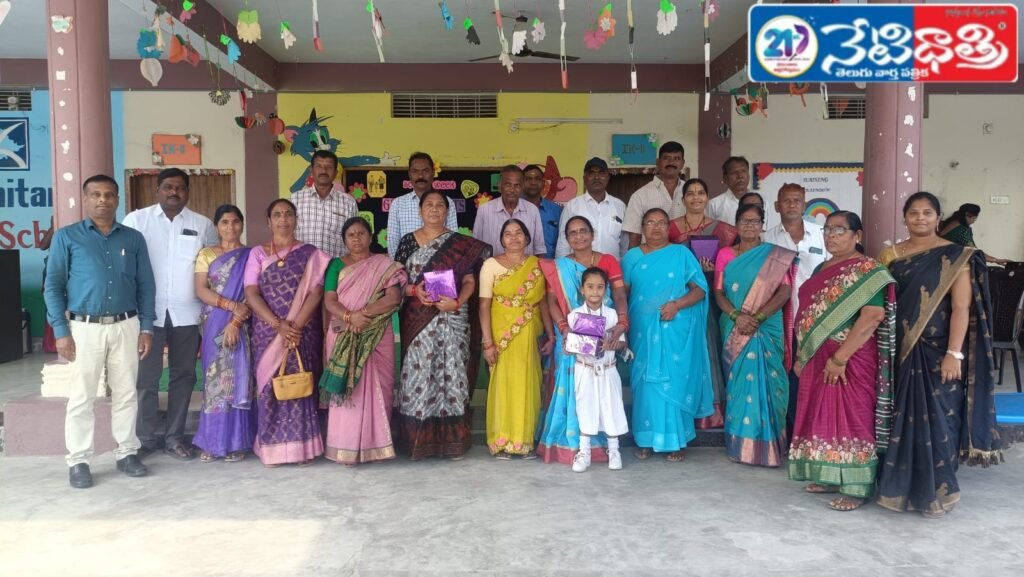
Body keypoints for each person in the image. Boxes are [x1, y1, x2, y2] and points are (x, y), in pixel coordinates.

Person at [876, 192, 1000, 518]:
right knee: (899, 420)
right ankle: (899, 489)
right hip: (898, 350)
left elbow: (961, 306)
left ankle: (937, 493)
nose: (920, 218)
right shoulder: (890, 255)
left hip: (937, 351)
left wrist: (954, 354)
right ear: (904, 218)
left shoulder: (956, 255)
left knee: (941, 421)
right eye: (913, 213)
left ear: (938, 217)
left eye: (927, 213)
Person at [44, 174, 155, 488]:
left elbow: (146, 285)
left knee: (126, 393)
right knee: (81, 396)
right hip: (84, 328)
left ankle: (127, 452)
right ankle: (78, 459)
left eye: (109, 195)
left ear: (118, 199)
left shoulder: (132, 239)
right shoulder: (67, 238)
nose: (103, 200)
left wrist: (146, 327)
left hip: (127, 325)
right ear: (86, 198)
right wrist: (61, 331)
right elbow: (52, 286)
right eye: (96, 195)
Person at [788, 211, 896, 511]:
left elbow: (872, 316)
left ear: (857, 236)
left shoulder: (867, 270)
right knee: (820, 413)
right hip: (816, 354)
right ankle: (828, 474)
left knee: (851, 416)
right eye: (828, 230)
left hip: (850, 358)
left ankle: (857, 486)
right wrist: (802, 353)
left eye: (840, 230)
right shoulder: (823, 266)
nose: (831, 235)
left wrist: (840, 357)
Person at [122, 167, 217, 461]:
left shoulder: (202, 225)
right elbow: (125, 268)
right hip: (147, 315)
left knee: (184, 376)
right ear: (158, 190)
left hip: (187, 314)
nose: (173, 192)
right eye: (168, 187)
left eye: (179, 188)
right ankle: (145, 438)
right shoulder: (136, 221)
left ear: (187, 192)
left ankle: (175, 437)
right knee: (147, 378)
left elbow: (212, 269)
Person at [393, 190, 491, 460]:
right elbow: (397, 280)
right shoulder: (407, 242)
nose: (434, 209)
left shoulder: (460, 243)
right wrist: (415, 292)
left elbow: (471, 280)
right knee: (419, 376)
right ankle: (416, 442)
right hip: (417, 319)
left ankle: (453, 443)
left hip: (453, 317)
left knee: (452, 374)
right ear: (420, 210)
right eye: (429, 205)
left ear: (448, 211)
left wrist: (458, 301)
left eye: (440, 205)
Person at [622, 208, 714, 462]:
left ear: (668, 227)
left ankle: (676, 441)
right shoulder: (631, 257)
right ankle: (644, 438)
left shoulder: (681, 254)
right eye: (650, 222)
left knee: (674, 383)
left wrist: (677, 305)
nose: (656, 227)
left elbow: (700, 290)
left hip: (675, 331)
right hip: (642, 330)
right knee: (645, 384)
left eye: (662, 222)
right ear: (642, 228)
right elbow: (623, 295)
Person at [243, 199, 329, 467]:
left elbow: (316, 291)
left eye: (288, 214)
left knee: (301, 383)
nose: (283, 220)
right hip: (268, 332)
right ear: (268, 221)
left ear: (296, 219)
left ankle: (303, 449)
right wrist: (278, 325)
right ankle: (272, 449)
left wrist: (297, 326)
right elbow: (251, 292)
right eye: (277, 215)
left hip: (303, 331)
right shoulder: (257, 253)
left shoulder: (310, 253)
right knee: (270, 386)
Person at [537, 216, 629, 464]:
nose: (579, 237)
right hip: (569, 332)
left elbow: (619, 294)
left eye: (583, 231)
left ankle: (606, 446)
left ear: (593, 234)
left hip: (605, 330)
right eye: (573, 233)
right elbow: (552, 301)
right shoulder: (559, 266)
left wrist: (621, 323)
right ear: (566, 239)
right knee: (573, 386)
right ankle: (571, 444)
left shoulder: (608, 261)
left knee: (602, 389)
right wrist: (565, 328)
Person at [320, 217, 407, 466]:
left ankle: (377, 445)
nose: (356, 239)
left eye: (361, 234)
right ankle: (344, 446)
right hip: (343, 331)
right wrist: (349, 317)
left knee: (382, 383)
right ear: (344, 240)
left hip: (377, 332)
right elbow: (329, 300)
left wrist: (363, 315)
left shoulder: (384, 265)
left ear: (371, 237)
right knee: (347, 388)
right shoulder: (336, 265)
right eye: (351, 235)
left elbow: (393, 298)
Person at [715, 203, 795, 467]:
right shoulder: (726, 254)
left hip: (766, 326)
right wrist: (738, 317)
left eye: (755, 221)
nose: (749, 226)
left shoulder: (774, 256)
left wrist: (757, 317)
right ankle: (741, 446)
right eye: (744, 221)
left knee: (771, 384)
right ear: (736, 225)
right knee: (739, 385)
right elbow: (719, 292)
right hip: (735, 325)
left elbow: (784, 292)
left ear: (763, 225)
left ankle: (771, 447)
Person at [479, 219, 553, 458]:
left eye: (518, 233)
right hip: (501, 334)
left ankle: (523, 441)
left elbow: (542, 302)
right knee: (503, 385)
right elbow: (483, 305)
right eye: (508, 234)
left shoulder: (537, 265)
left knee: (528, 382)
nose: (513, 238)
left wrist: (551, 335)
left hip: (529, 333)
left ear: (527, 238)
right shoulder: (490, 265)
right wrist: (487, 342)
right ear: (501, 239)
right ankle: (501, 442)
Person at [668, 177, 737, 428]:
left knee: (709, 347)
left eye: (701, 193)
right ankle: (684, 405)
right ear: (683, 199)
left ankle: (712, 410)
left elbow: (733, 263)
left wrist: (710, 269)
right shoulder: (671, 229)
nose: (696, 198)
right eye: (691, 194)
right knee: (683, 350)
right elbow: (664, 260)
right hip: (681, 299)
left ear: (707, 198)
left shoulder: (724, 230)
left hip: (711, 297)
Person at [763, 183, 830, 438]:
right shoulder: (767, 238)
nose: (792, 204)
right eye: (786, 201)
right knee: (786, 376)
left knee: (812, 375)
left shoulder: (823, 234)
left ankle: (813, 432)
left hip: (816, 319)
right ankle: (790, 433)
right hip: (780, 318)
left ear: (805, 205)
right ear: (777, 206)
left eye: (797, 200)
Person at [191, 205, 255, 463]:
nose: (231, 227)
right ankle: (212, 441)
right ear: (217, 226)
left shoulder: (251, 255)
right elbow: (201, 290)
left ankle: (237, 442)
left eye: (236, 222)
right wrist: (230, 307)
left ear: (242, 225)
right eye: (225, 222)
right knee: (214, 380)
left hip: (243, 324)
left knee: (239, 378)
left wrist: (238, 319)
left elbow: (254, 292)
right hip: (214, 323)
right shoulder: (206, 254)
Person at [566, 267, 629, 473]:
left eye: (600, 287)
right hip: (585, 368)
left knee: (611, 407)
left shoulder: (612, 315)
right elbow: (570, 345)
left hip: (608, 369)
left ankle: (614, 450)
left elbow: (622, 343)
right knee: (586, 407)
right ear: (582, 290)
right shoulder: (575, 315)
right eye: (590, 287)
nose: (595, 292)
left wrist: (612, 344)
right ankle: (584, 453)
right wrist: (571, 346)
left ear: (606, 290)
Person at [386, 152, 458, 259]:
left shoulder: (447, 202)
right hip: (406, 269)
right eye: (415, 171)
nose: (420, 176)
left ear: (433, 172)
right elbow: (393, 242)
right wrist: (400, 268)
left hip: (440, 267)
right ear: (409, 174)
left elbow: (453, 239)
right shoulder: (397, 204)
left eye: (425, 171)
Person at [555, 157, 627, 258]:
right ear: (584, 178)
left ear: (607, 177)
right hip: (580, 270)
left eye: (601, 173)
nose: (596, 177)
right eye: (591, 173)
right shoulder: (572, 206)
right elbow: (563, 241)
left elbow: (625, 243)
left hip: (611, 270)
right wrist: (562, 268)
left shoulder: (620, 206)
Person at [291, 150, 358, 258]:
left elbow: (354, 236)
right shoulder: (295, 199)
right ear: (311, 171)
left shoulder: (348, 202)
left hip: (335, 268)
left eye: (329, 167)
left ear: (336, 173)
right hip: (302, 266)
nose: (323, 170)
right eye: (319, 166)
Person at [623, 141, 687, 248]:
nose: (671, 162)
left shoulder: (691, 194)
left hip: (683, 258)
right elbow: (634, 238)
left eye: (676, 158)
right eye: (666, 158)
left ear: (682, 163)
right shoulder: (640, 196)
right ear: (658, 162)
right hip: (651, 258)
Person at [473, 165, 546, 256]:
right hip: (493, 269)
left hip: (525, 269)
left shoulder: (532, 210)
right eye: (508, 184)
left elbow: (539, 249)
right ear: (500, 186)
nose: (512, 190)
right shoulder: (484, 210)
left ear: (522, 187)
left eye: (517, 185)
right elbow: (476, 247)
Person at [939, 203, 1011, 265]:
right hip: (948, 262)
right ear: (967, 215)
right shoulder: (963, 230)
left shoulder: (951, 223)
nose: (974, 221)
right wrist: (996, 260)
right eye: (974, 218)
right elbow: (974, 251)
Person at [523, 163, 562, 258]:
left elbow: (562, 241)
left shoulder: (556, 210)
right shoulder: (515, 209)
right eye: (528, 179)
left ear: (544, 183)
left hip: (550, 266)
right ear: (522, 183)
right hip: (521, 267)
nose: (533, 182)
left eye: (537, 179)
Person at [707, 156, 751, 225]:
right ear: (725, 178)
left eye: (743, 171)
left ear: (748, 175)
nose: (740, 176)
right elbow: (708, 232)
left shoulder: (762, 201)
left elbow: (764, 232)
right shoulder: (714, 205)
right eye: (734, 173)